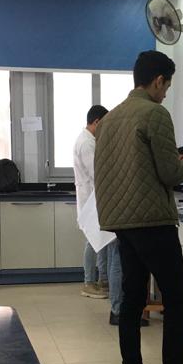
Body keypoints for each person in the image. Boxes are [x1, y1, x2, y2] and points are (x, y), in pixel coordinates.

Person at [94, 50, 183, 364]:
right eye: (167, 86)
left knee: (132, 301)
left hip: (121, 221)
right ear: (158, 80)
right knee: (177, 298)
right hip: (151, 220)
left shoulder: (110, 119)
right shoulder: (154, 113)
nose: (165, 94)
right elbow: (170, 172)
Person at [73, 106, 109, 301]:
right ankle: (88, 282)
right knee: (92, 240)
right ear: (96, 122)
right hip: (90, 199)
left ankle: (103, 280)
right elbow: (97, 173)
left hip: (94, 198)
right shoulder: (87, 143)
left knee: (101, 240)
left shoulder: (88, 140)